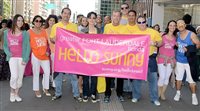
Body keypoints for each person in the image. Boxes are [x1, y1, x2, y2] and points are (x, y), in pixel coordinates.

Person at [50, 7, 82, 102]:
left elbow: (77, 40)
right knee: (58, 76)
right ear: (61, 14)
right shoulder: (56, 26)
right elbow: (51, 39)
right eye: (65, 13)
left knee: (73, 76)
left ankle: (76, 94)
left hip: (70, 55)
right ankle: (58, 93)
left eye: (68, 14)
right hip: (59, 55)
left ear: (70, 16)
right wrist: (54, 38)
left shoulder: (74, 26)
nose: (66, 15)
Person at [131, 16, 162, 106]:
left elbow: (160, 43)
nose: (141, 24)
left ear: (146, 22)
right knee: (137, 80)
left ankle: (154, 98)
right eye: (139, 22)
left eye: (143, 22)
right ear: (137, 23)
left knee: (153, 80)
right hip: (138, 60)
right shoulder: (134, 33)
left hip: (151, 59)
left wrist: (155, 43)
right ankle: (136, 96)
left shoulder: (154, 32)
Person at [3, 14, 30, 102]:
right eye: (18, 20)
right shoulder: (7, 32)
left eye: (22, 20)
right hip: (12, 58)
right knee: (14, 76)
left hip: (21, 58)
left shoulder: (25, 33)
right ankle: (12, 93)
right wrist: (8, 53)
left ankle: (16, 94)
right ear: (15, 21)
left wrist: (25, 59)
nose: (20, 22)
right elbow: (5, 46)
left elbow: (27, 47)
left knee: (20, 77)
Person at [174, 19, 199, 105]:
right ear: (177, 26)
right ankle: (178, 93)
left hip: (189, 61)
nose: (180, 26)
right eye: (178, 24)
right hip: (179, 61)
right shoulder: (177, 34)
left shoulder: (191, 34)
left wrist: (189, 49)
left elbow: (198, 44)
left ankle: (194, 96)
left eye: (182, 24)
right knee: (178, 79)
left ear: (185, 25)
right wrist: (176, 46)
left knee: (191, 81)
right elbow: (176, 45)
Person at [103, 10, 125, 103]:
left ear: (120, 18)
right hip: (109, 55)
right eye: (114, 16)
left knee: (120, 76)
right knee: (108, 76)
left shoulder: (124, 28)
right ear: (112, 17)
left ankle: (120, 94)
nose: (116, 18)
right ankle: (107, 94)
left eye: (118, 16)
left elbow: (127, 42)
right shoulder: (107, 26)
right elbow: (103, 39)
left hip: (120, 56)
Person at [29, 15, 51, 98]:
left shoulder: (44, 31)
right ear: (33, 22)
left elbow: (49, 42)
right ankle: (36, 90)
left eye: (40, 21)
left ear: (42, 23)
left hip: (45, 55)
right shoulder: (29, 32)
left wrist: (48, 51)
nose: (38, 22)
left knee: (47, 72)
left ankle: (46, 88)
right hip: (35, 55)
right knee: (36, 73)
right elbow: (26, 44)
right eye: (36, 21)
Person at [82, 11, 100, 103]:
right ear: (88, 19)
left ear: (96, 19)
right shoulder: (83, 31)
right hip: (85, 57)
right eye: (90, 18)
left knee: (94, 77)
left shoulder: (100, 31)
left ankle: (93, 94)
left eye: (94, 18)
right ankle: (85, 94)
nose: (92, 20)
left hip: (96, 57)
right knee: (85, 78)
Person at [157, 20, 177, 100]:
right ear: (168, 26)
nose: (172, 27)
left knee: (167, 77)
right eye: (171, 25)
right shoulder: (162, 36)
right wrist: (157, 42)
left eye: (174, 25)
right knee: (162, 76)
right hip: (162, 59)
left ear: (175, 27)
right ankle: (158, 93)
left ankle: (162, 93)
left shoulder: (176, 38)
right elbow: (158, 44)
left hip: (171, 60)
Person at [44, 14, 58, 88]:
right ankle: (47, 82)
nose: (52, 22)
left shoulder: (58, 30)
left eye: (53, 20)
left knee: (54, 67)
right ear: (48, 21)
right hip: (47, 51)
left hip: (56, 51)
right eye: (50, 20)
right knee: (47, 68)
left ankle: (53, 82)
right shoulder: (44, 30)